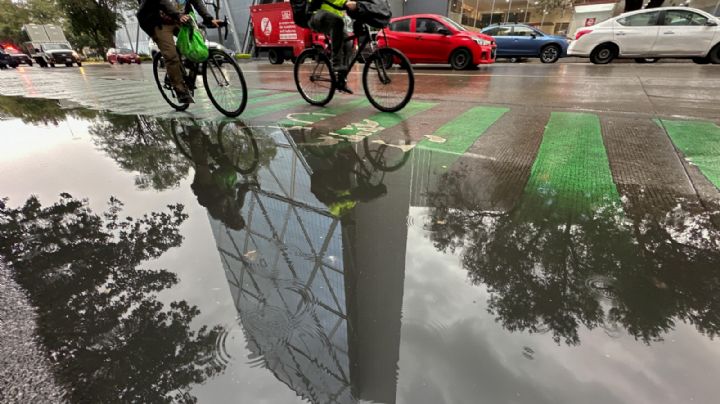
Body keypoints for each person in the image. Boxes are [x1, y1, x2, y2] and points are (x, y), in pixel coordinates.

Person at [137, 0, 221, 104]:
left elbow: (197, 2)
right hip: (158, 22)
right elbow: (163, 2)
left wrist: (208, 19)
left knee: (196, 43)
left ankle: (187, 66)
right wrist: (178, 15)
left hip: (178, 19)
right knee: (171, 56)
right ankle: (180, 90)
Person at [308, 0, 358, 94]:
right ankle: (336, 63)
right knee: (337, 22)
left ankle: (341, 82)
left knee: (348, 44)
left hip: (334, 21)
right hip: (316, 15)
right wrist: (345, 2)